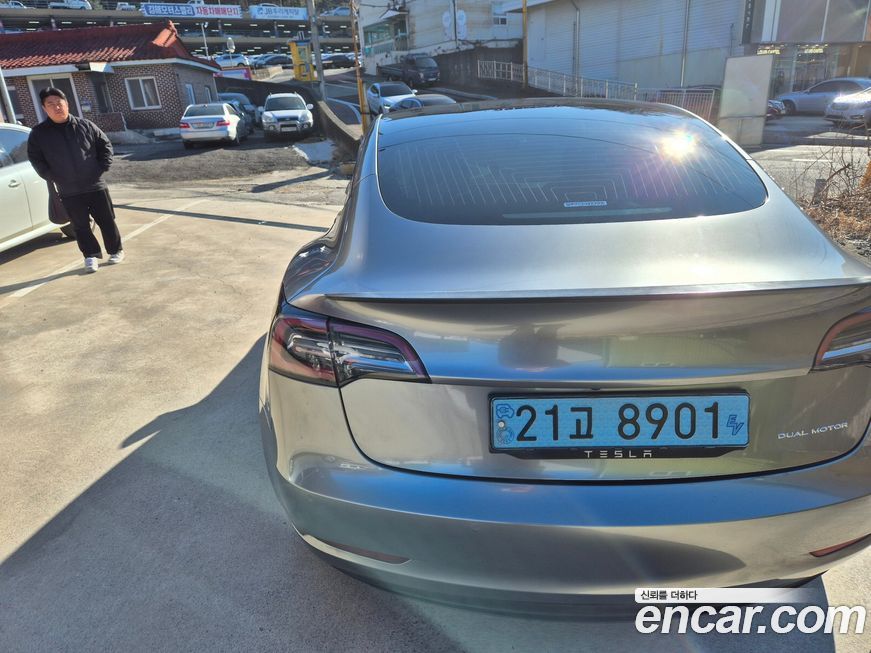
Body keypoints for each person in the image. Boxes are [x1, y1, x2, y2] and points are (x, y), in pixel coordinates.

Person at [27, 87, 124, 273]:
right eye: (50, 104)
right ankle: (90, 256)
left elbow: (105, 146)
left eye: (59, 103)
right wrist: (52, 176)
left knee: (106, 221)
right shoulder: (39, 134)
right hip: (68, 190)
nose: (56, 107)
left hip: (95, 185)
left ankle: (116, 251)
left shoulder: (85, 125)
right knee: (80, 226)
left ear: (67, 104)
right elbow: (36, 159)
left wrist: (101, 168)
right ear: (44, 108)